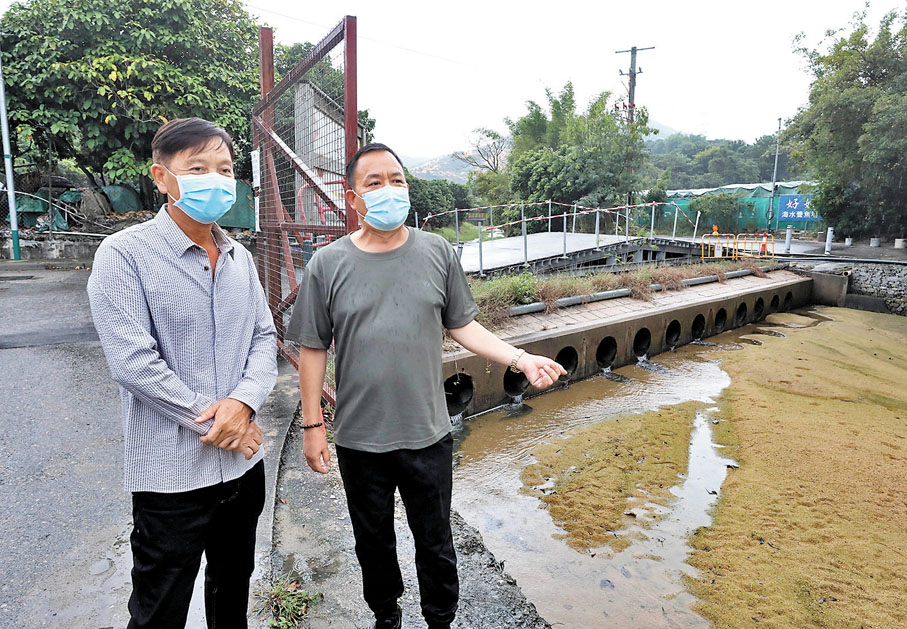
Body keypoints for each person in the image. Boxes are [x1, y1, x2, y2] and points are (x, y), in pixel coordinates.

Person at [286, 142, 566, 629]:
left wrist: (521, 357)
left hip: (427, 433)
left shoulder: (436, 252)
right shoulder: (327, 265)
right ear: (354, 198)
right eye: (374, 183)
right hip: (360, 438)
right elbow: (313, 348)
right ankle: (386, 616)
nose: (389, 190)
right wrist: (313, 425)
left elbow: (464, 326)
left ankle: (441, 618)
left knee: (434, 539)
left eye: (397, 180)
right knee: (372, 540)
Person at [87, 117, 278, 629]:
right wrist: (215, 421)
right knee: (159, 609)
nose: (215, 179)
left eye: (224, 168)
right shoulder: (124, 255)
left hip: (242, 471)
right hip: (171, 479)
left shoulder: (241, 258)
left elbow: (264, 339)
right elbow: (133, 361)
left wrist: (244, 404)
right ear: (162, 176)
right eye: (197, 167)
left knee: (232, 592)